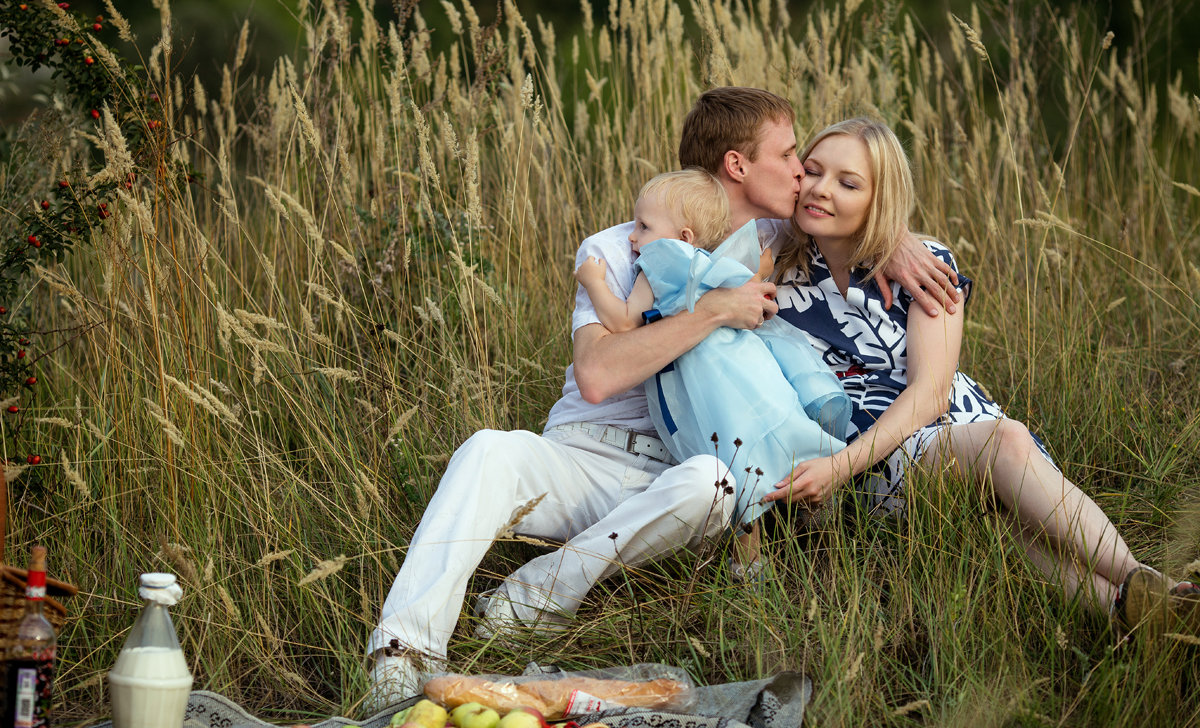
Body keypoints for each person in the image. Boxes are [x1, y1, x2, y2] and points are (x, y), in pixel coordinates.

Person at [366, 88, 961, 710]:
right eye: (790, 156)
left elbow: (855, 217)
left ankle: (531, 599)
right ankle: (400, 655)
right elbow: (597, 374)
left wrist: (898, 242)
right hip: (580, 456)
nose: (802, 172)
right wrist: (708, 314)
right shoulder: (621, 247)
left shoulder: (777, 245)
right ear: (738, 166)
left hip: (675, 477)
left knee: (714, 484)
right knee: (489, 448)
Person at [764, 116, 1200, 628]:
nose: (820, 189)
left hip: (951, 427)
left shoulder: (926, 265)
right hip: (863, 458)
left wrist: (896, 240)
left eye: (849, 182)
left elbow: (931, 395)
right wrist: (837, 471)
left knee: (1006, 521)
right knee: (1005, 446)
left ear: (880, 198)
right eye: (812, 171)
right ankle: (1149, 582)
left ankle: (1141, 613)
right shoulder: (770, 265)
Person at [574, 168, 849, 579]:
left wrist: (595, 283)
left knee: (732, 457)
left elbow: (626, 321)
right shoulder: (718, 258)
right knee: (778, 431)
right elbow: (753, 282)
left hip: (706, 383)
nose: (632, 237)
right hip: (748, 367)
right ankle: (816, 523)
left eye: (644, 226)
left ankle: (749, 561)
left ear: (683, 236)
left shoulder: (659, 263)